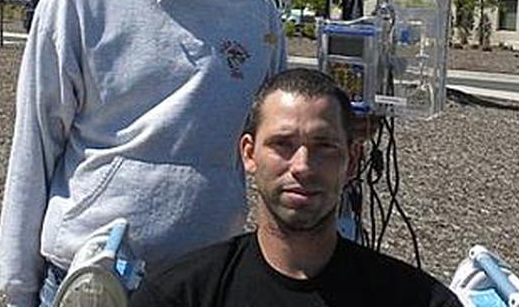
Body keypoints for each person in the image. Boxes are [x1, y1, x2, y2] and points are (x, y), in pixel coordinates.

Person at [0, 0, 287, 307]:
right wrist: (18, 288)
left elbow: (277, 144)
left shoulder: (253, 9)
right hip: (92, 281)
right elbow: (35, 146)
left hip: (209, 280)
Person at [129, 68, 462, 307]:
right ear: (249, 153)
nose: (302, 165)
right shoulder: (179, 295)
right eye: (282, 144)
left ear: (353, 160)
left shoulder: (417, 299)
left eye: (324, 146)